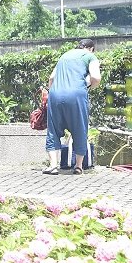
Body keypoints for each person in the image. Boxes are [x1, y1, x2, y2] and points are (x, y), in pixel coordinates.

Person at [43, 39, 101, 175]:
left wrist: (53, 94)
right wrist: (89, 87)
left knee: (53, 130)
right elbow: (96, 78)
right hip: (76, 95)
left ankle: (52, 166)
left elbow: (51, 78)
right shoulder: (90, 56)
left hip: (55, 94)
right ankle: (78, 166)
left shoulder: (64, 56)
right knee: (80, 129)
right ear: (91, 48)